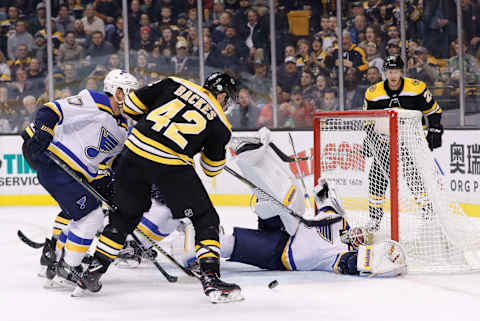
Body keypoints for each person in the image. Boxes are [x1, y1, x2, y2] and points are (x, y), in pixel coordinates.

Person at [78, 72, 243, 304]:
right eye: (228, 99)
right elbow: (211, 169)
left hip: (132, 153)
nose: (227, 104)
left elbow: (132, 105)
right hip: (170, 166)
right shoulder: (221, 123)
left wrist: (156, 120)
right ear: (223, 94)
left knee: (123, 217)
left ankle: (92, 273)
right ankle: (211, 279)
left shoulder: (175, 83)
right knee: (206, 219)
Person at [167, 129, 407, 277]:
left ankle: (193, 251)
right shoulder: (337, 219)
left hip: (280, 252)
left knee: (231, 242)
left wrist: (380, 260)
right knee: (272, 198)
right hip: (287, 225)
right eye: (359, 232)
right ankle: (252, 157)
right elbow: (325, 196)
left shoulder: (338, 253)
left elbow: (350, 264)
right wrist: (322, 189)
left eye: (360, 240)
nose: (356, 235)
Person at [21, 69, 139, 286]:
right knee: (90, 217)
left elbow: (108, 165)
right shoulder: (96, 100)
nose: (134, 99)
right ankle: (67, 267)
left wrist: (115, 189)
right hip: (57, 165)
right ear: (118, 92)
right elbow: (49, 110)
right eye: (130, 93)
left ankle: (56, 257)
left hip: (75, 174)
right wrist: (45, 131)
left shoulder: (124, 129)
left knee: (84, 214)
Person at [363, 55, 443, 231]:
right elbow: (368, 120)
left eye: (396, 71)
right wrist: (369, 138)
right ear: (385, 72)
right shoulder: (373, 93)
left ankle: (428, 214)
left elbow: (434, 111)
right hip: (384, 143)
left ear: (401, 72)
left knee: (415, 177)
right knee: (376, 178)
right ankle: (375, 219)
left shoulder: (416, 88)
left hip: (411, 143)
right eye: (389, 71)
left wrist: (435, 128)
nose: (392, 75)